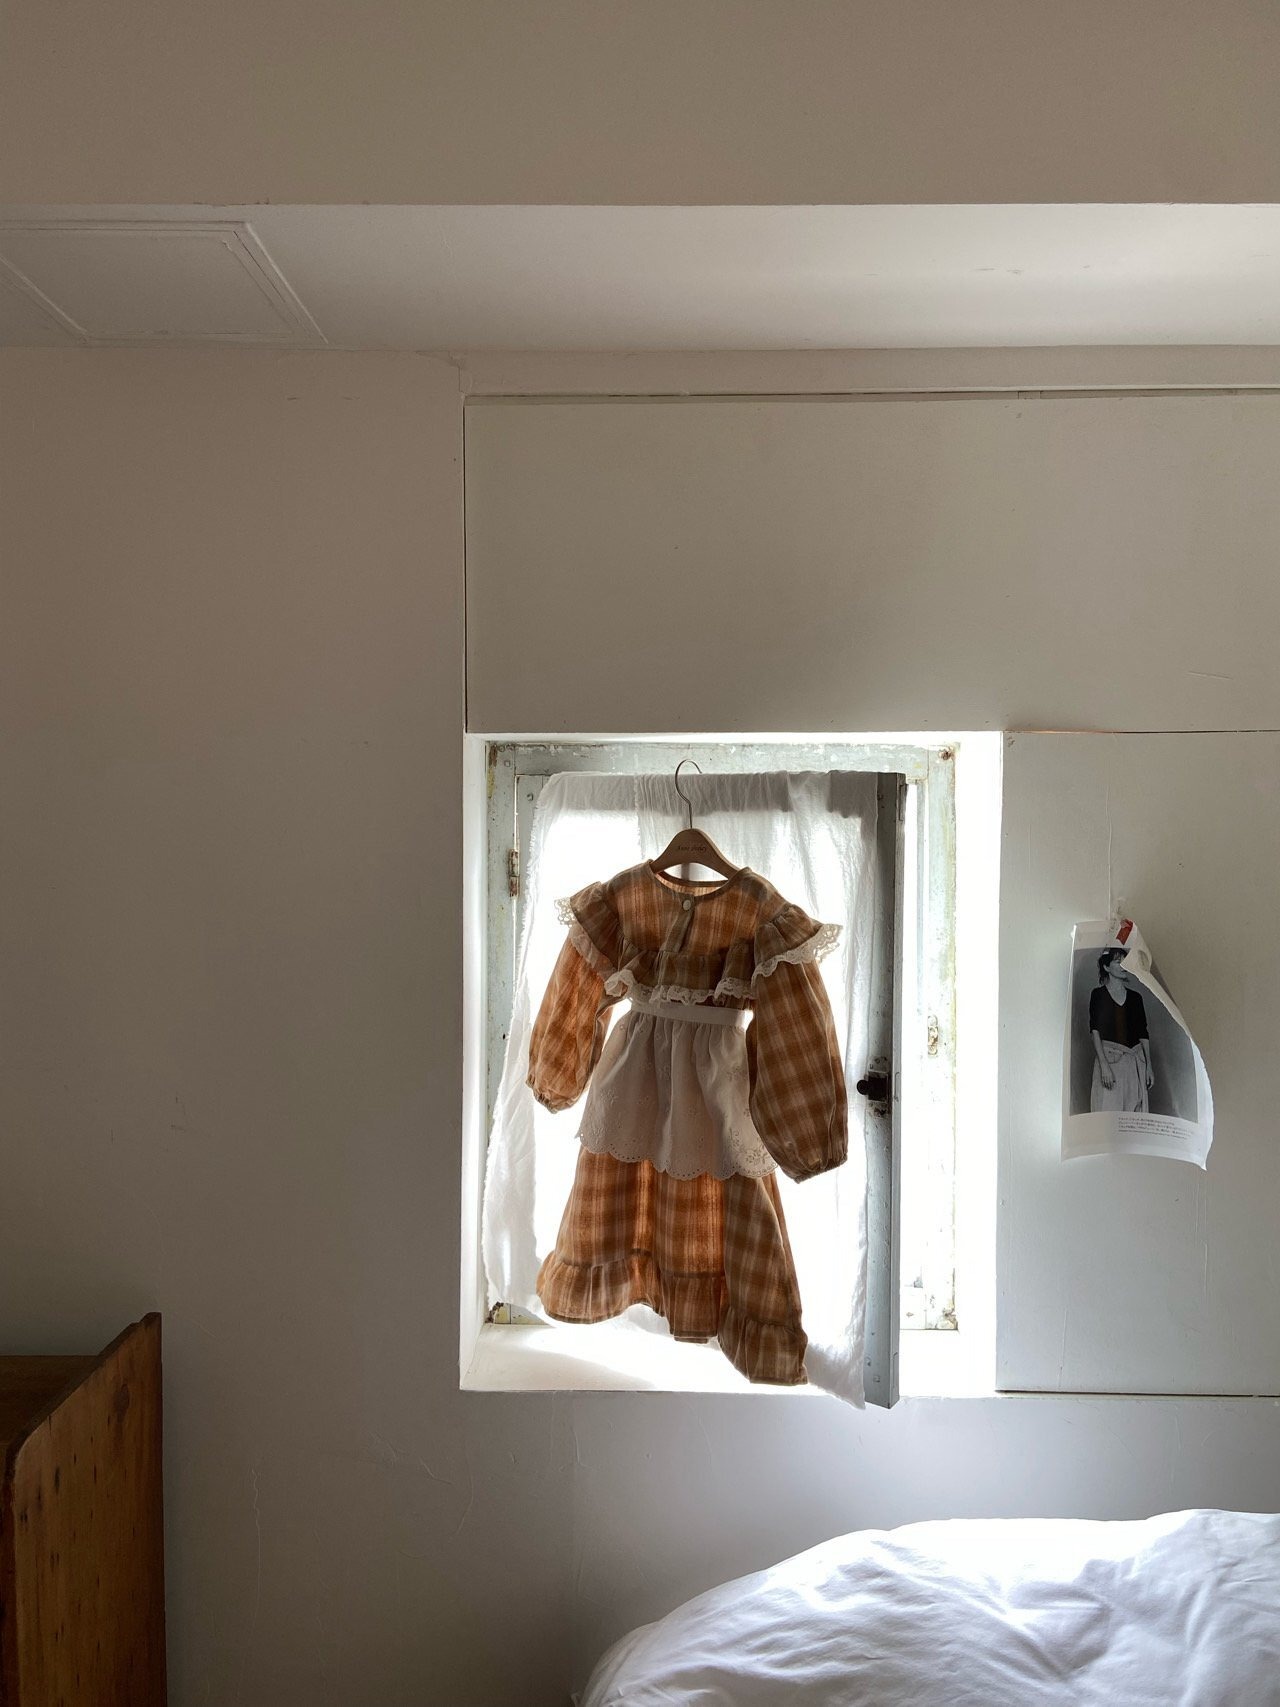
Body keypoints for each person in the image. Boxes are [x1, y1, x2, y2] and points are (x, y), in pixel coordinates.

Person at [1088, 946, 1153, 1113]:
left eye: (1125, 961)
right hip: (1110, 1062)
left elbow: (1143, 1033)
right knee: (1108, 1112)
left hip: (1135, 1063)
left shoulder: (1136, 998)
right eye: (1118, 962)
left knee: (1134, 1117)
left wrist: (1149, 1066)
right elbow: (1095, 1031)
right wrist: (1104, 1066)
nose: (1124, 965)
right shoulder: (1098, 995)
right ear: (1106, 967)